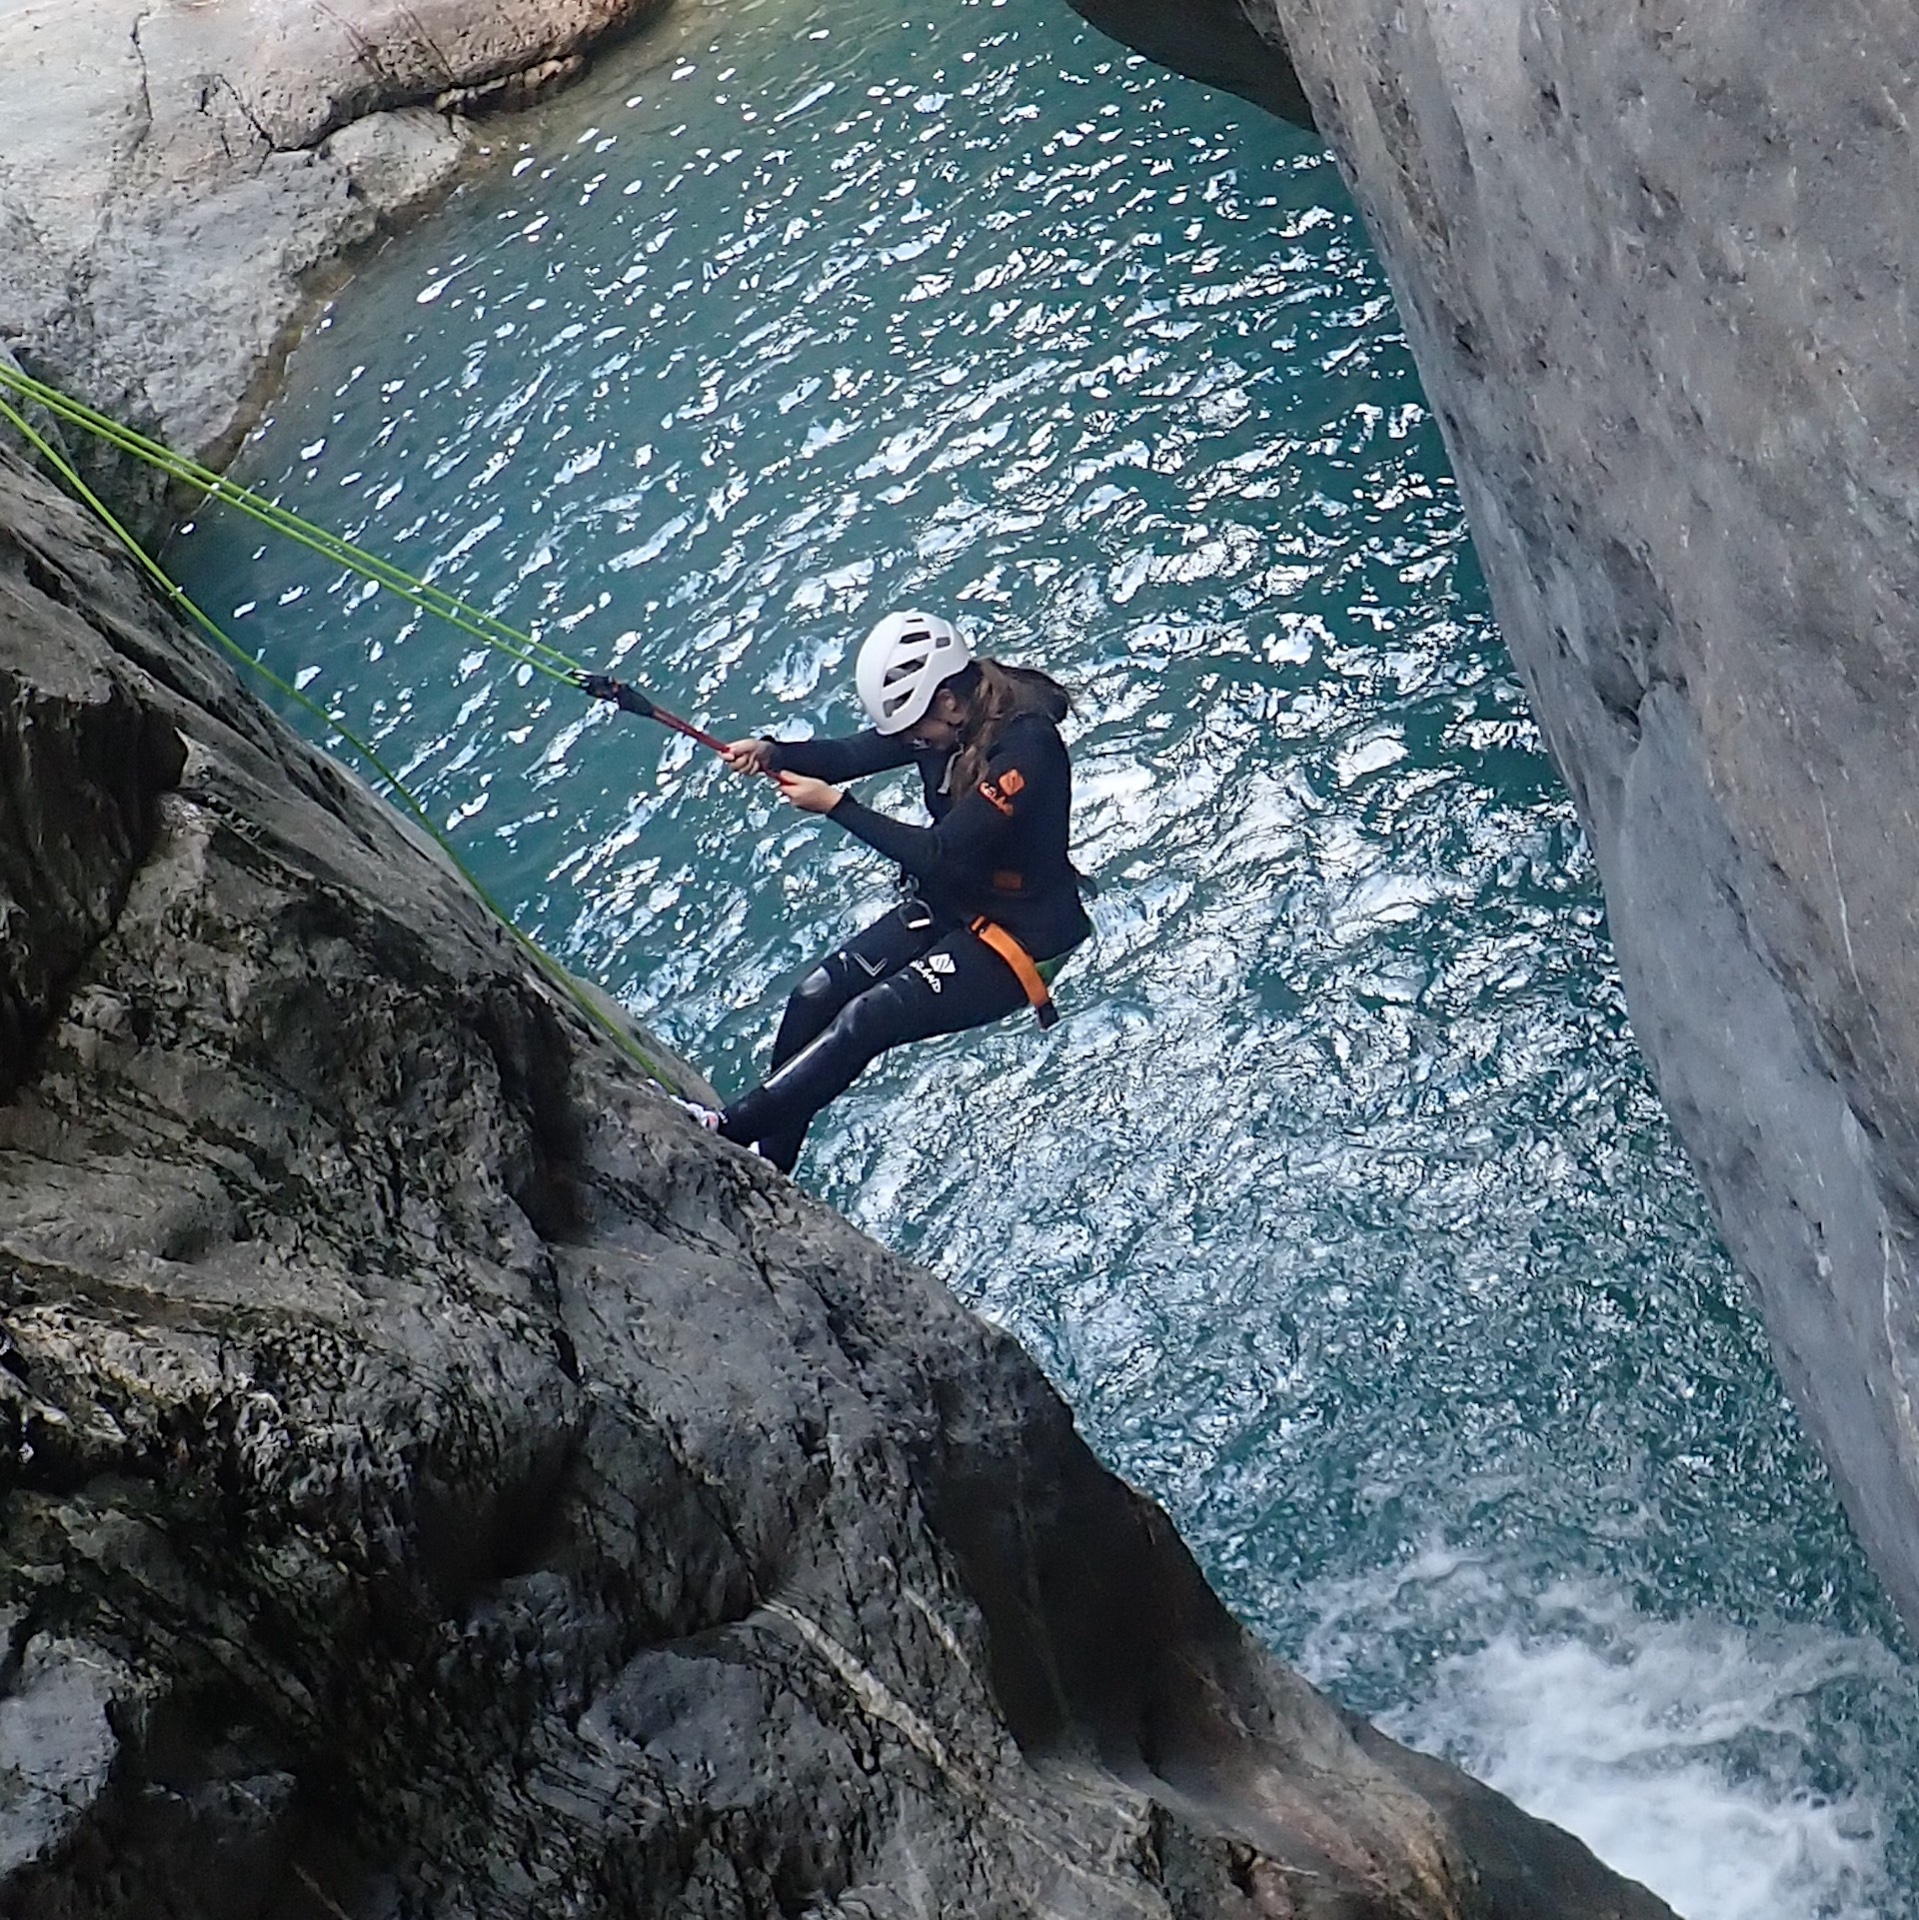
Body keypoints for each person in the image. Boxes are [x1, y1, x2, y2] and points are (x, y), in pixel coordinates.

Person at [591, 611, 1091, 1173]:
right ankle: (772, 1161)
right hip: (957, 902)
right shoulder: (947, 723)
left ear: (950, 701)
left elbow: (939, 852)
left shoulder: (1026, 749)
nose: (911, 741)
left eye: (916, 727)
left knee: (869, 1018)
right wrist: (774, 753)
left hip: (1022, 937)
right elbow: (854, 754)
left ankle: (726, 1131)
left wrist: (837, 807)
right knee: (815, 995)